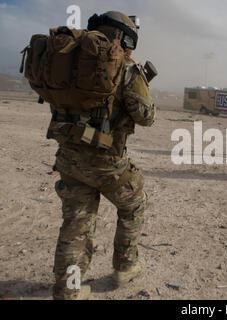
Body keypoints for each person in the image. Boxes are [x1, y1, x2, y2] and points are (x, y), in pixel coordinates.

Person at [49, 11, 156, 299]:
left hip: (69, 157)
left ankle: (68, 290)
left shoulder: (68, 61)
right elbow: (146, 116)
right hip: (106, 162)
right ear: (121, 37)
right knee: (134, 204)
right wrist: (143, 81)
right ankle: (125, 266)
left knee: (76, 222)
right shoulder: (125, 67)